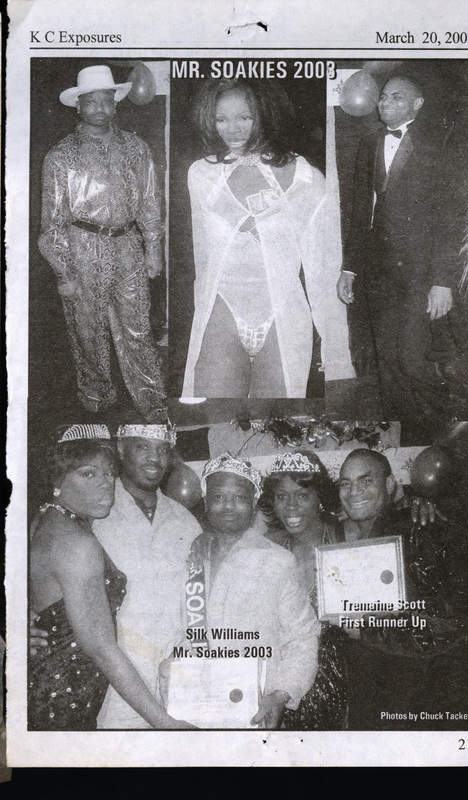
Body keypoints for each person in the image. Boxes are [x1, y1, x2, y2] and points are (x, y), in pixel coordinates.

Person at [182, 77, 354, 398]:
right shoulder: (202, 175)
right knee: (215, 412)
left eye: (244, 117)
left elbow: (323, 271)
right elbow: (202, 262)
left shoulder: (307, 180)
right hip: (222, 310)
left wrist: (337, 359)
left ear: (264, 114)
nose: (232, 129)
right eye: (221, 119)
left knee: (275, 415)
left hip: (283, 316)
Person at [28, 424, 189, 731]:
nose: (105, 484)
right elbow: (102, 648)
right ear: (57, 479)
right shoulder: (77, 542)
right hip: (65, 695)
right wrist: (165, 723)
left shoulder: (47, 518)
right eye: (88, 474)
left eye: (108, 473)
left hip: (59, 682)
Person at [38, 65, 167, 421]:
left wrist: (153, 248)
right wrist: (63, 272)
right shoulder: (61, 156)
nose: (100, 108)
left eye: (106, 101)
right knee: (87, 329)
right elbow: (52, 221)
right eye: (91, 102)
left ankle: (152, 399)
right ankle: (97, 399)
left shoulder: (136, 147)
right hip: (82, 247)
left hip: (128, 246)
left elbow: (149, 200)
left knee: (138, 326)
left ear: (115, 103)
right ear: (78, 106)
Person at [337, 75, 465, 418]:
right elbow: (360, 210)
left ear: (417, 104)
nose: (385, 103)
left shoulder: (440, 143)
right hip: (378, 271)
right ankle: (405, 425)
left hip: (420, 271)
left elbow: (450, 216)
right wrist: (349, 268)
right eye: (383, 97)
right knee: (387, 362)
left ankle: (452, 419)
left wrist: (442, 282)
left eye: (396, 97)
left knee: (411, 360)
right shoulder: (369, 143)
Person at [161, 453, 320, 729]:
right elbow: (172, 631)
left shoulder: (278, 561)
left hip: (253, 712)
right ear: (205, 501)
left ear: (254, 503)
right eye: (218, 497)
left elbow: (303, 637)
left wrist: (281, 695)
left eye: (239, 497)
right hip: (192, 709)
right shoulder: (187, 558)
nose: (228, 506)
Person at [336, 448, 468, 730]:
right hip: (371, 697)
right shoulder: (346, 543)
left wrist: (366, 630)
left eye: (366, 480)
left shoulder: (423, 529)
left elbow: (452, 624)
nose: (354, 491)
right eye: (346, 483)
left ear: (389, 484)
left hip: (419, 701)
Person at [92, 423, 202, 729]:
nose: (155, 458)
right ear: (121, 448)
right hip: (113, 687)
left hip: (177, 681)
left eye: (162, 449)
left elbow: (197, 607)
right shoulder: (95, 513)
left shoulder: (186, 522)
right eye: (143, 447)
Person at [259, 450, 348, 730]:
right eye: (281, 496)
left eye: (302, 495)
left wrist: (418, 502)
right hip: (282, 687)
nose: (291, 506)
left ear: (320, 497)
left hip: (345, 683)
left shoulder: (346, 539)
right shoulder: (266, 548)